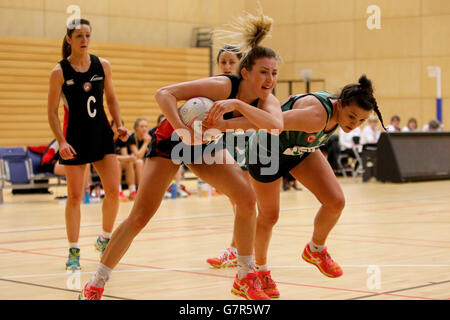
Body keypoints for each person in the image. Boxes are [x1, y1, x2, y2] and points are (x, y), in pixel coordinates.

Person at [80, 10, 282, 300]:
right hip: (172, 139)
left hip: (205, 143)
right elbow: (163, 94)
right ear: (246, 73)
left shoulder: (266, 100)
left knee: (247, 198)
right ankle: (96, 283)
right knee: (140, 216)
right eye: (264, 72)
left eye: (274, 73)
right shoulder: (222, 85)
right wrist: (182, 129)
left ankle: (244, 275)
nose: (270, 79)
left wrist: (230, 113)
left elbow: (275, 126)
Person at [245, 75, 385, 298]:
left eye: (361, 121)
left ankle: (315, 250)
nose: (353, 124)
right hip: (266, 151)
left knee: (336, 202)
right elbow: (268, 120)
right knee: (269, 216)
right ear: (340, 103)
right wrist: (226, 122)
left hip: (298, 149)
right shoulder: (316, 115)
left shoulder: (337, 115)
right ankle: (260, 271)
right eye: (351, 116)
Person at [47, 19, 129, 271]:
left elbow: (112, 98)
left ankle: (104, 239)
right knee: (74, 196)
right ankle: (73, 250)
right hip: (74, 139)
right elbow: (51, 112)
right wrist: (61, 141)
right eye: (79, 35)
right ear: (69, 39)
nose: (84, 40)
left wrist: (119, 123)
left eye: (87, 35)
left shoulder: (102, 65)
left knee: (114, 191)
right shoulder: (59, 72)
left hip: (102, 135)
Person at [205, 45, 245, 268]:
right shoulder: (214, 87)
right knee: (237, 199)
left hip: (250, 143)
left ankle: (238, 249)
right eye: (223, 62)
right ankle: (239, 248)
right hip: (225, 144)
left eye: (232, 62)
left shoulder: (246, 90)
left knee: (243, 200)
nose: (227, 66)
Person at [111, 120, 137, 201]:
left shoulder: (121, 138)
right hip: (104, 162)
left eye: (120, 126)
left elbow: (124, 155)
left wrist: (129, 158)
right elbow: (111, 157)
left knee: (128, 163)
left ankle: (132, 191)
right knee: (117, 162)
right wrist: (128, 157)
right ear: (111, 127)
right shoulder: (107, 138)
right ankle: (118, 192)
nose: (118, 128)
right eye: (116, 126)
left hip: (115, 162)